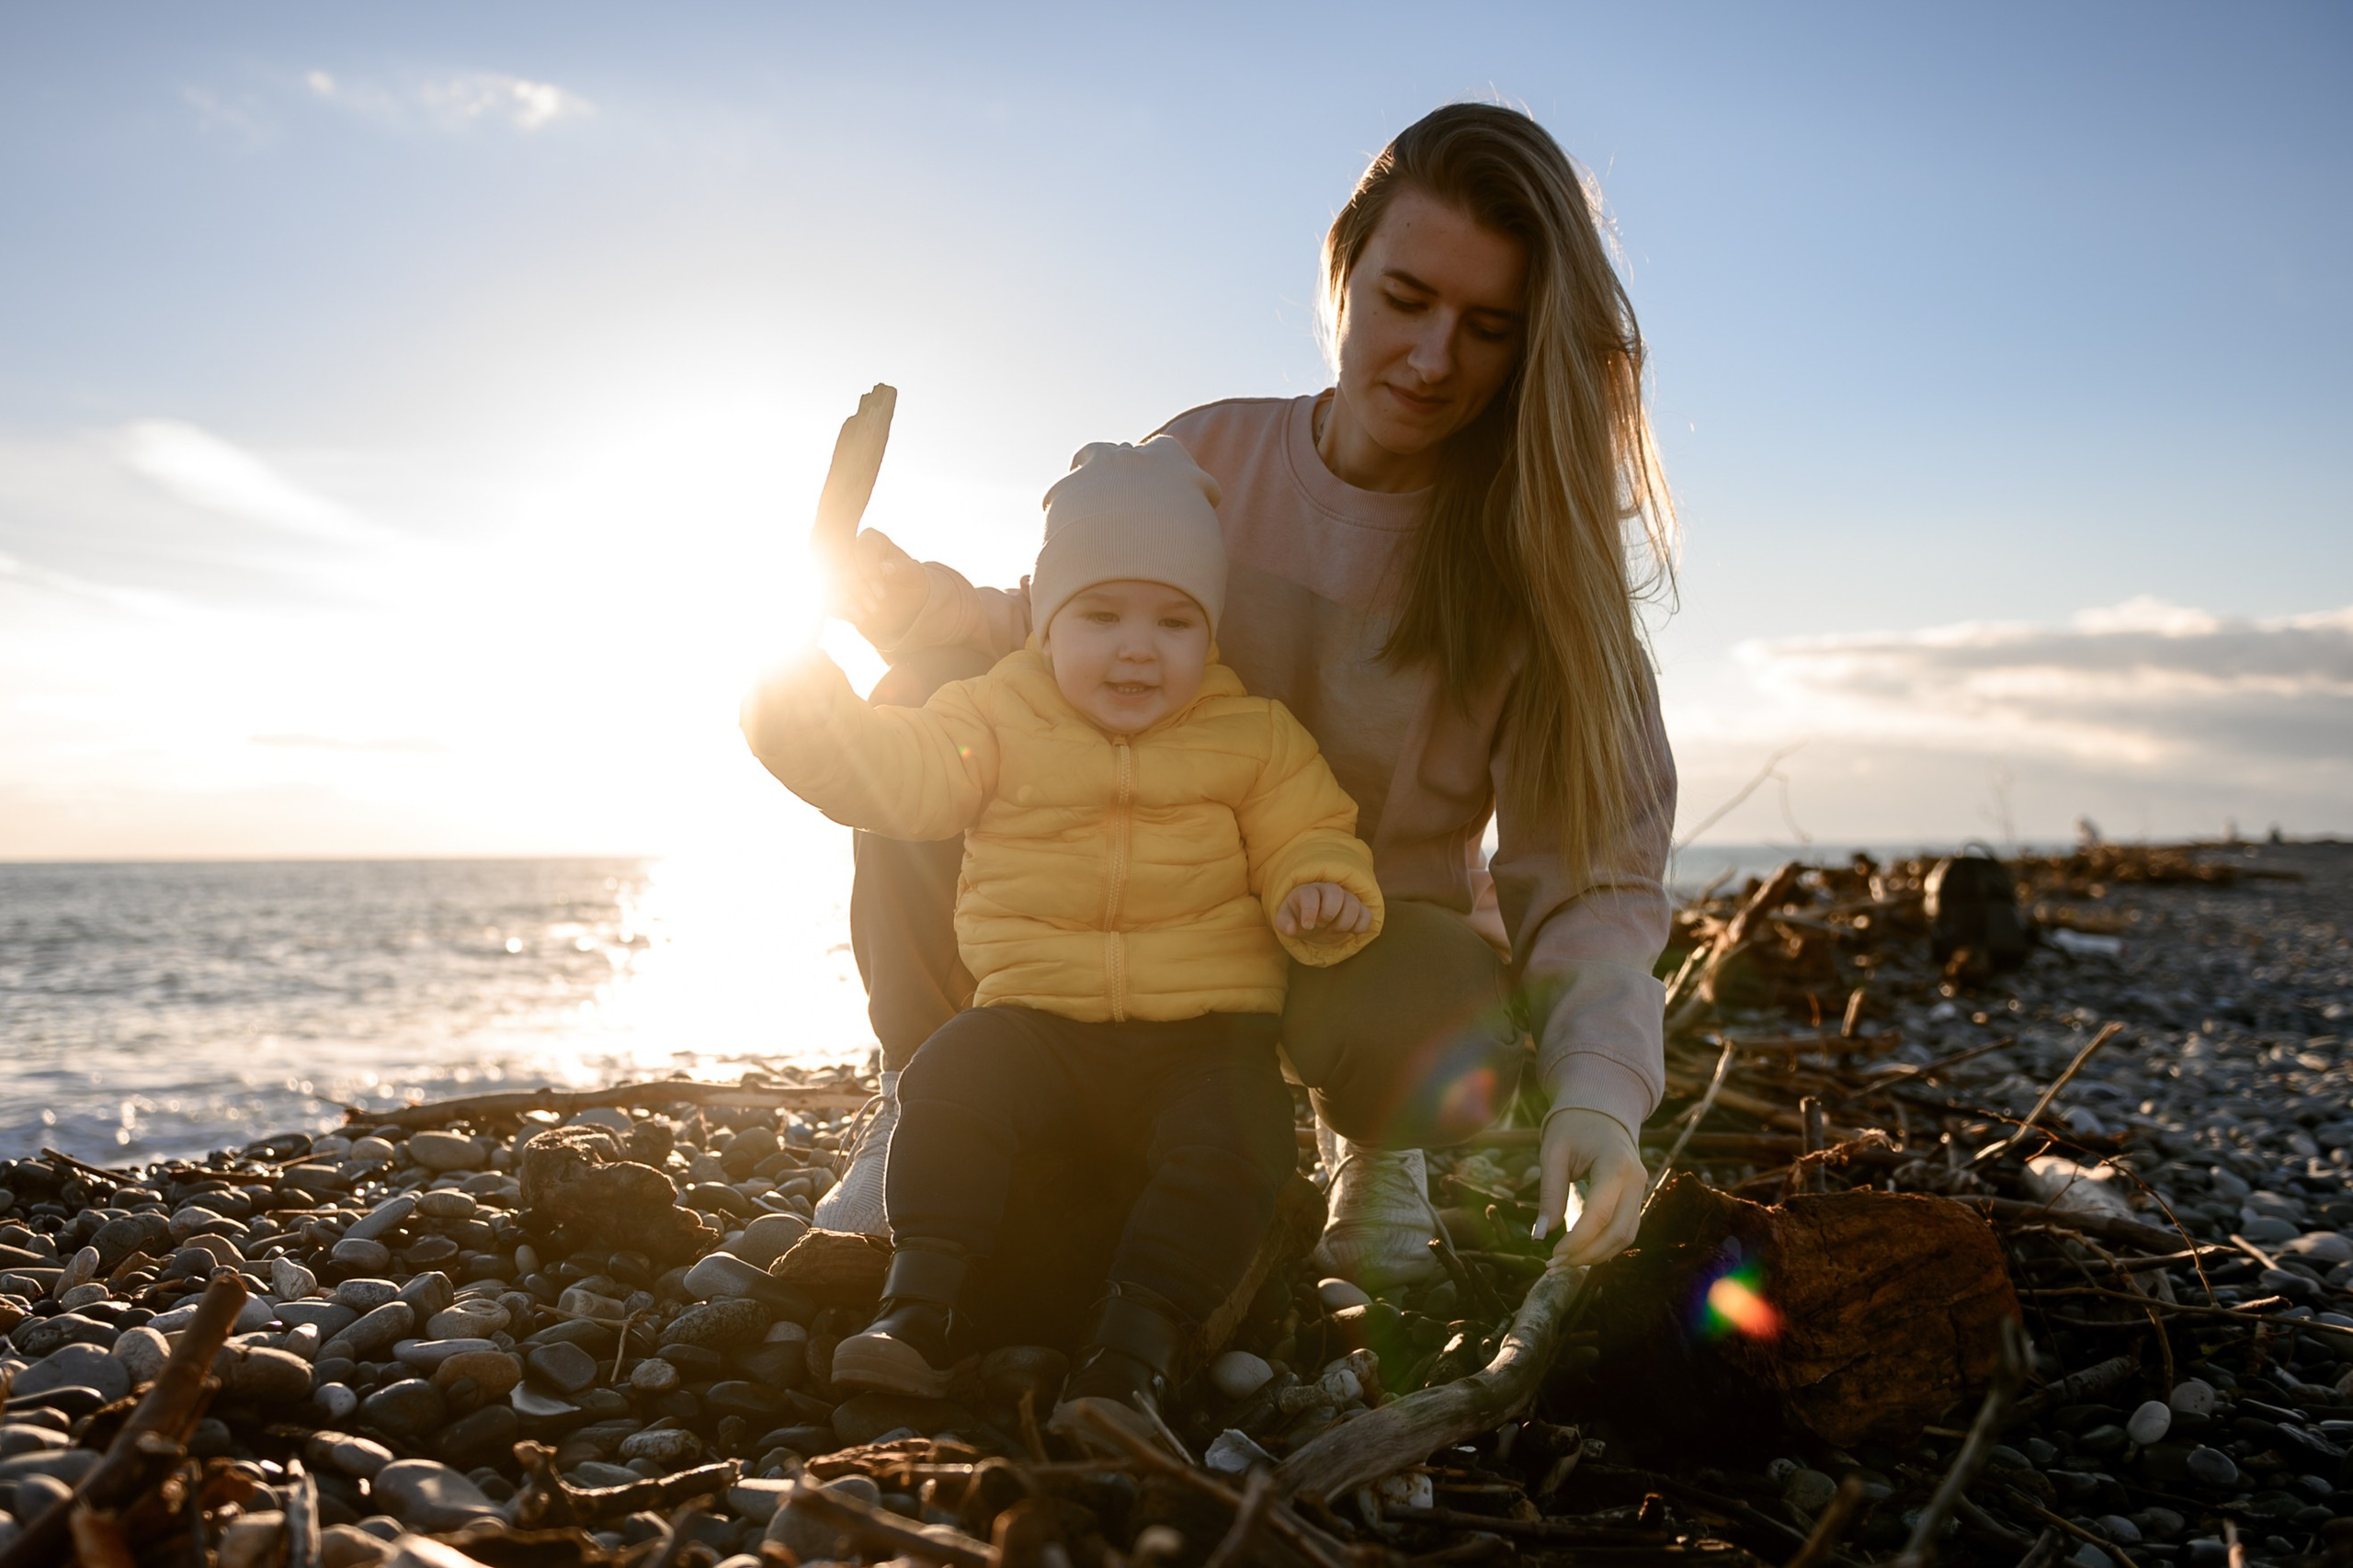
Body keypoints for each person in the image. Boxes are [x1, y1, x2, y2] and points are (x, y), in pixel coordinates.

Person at [828, 101, 1677, 1287]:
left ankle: (1374, 1146)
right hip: (1142, 914)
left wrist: (1601, 1094)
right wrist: (921, 610)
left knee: (1428, 1010)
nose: (1434, 360)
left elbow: (1595, 868)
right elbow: (1046, 639)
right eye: (1404, 300)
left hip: (1352, 941)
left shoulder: (1537, 565)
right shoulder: (1207, 460)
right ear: (1345, 269)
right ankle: (929, 1091)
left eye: (1488, 327)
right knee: (926, 692)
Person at [743, 437, 1385, 1429]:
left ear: (1209, 631)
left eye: (1174, 621)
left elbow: (1311, 832)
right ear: (1044, 618)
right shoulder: (997, 712)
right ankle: (918, 1309)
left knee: (1242, 1134)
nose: (1138, 645)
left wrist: (1321, 888)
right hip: (1035, 1019)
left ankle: (1130, 1357)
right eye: (1101, 614)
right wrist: (796, 711)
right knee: (951, 1074)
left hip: (1200, 1031)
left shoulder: (1252, 734)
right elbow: (894, 772)